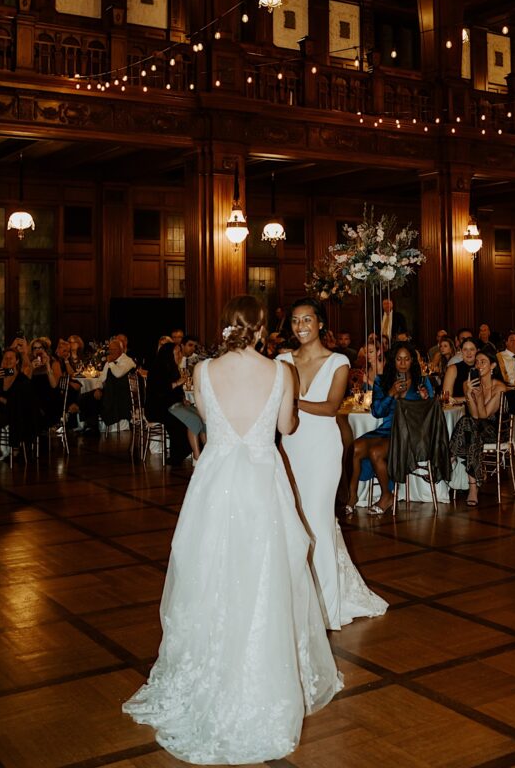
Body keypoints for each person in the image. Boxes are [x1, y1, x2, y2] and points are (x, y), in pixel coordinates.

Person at [123, 295, 341, 762]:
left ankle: (209, 665)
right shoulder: (282, 372)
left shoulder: (202, 372)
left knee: (211, 574)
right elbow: (287, 425)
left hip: (216, 484)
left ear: (225, 327)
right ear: (263, 328)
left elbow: (206, 420)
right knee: (266, 575)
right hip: (262, 482)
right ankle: (263, 670)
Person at [278, 297, 388, 630]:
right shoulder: (282, 360)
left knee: (318, 518)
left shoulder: (338, 360)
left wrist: (292, 400)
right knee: (292, 518)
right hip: (290, 446)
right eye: (296, 321)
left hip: (323, 448)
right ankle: (297, 597)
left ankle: (326, 605)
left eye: (307, 320)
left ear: (321, 323)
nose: (301, 327)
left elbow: (329, 407)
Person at [346, 342, 433, 516]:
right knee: (354, 448)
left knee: (376, 452)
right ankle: (352, 496)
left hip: (410, 433)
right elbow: (377, 412)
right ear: (393, 361)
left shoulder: (422, 381)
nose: (402, 363)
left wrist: (425, 399)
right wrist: (391, 393)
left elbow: (431, 414)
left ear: (412, 362)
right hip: (386, 429)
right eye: (399, 359)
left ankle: (387, 496)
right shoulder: (381, 381)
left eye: (406, 359)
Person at [449, 351, 508, 507]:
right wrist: (469, 393)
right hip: (475, 429)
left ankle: (450, 458)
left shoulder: (499, 387)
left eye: (483, 362)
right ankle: (473, 489)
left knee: (468, 423)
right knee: (471, 427)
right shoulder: (468, 384)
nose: (478, 365)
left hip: (493, 432)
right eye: (477, 362)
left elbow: (483, 415)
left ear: (493, 366)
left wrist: (479, 396)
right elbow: (474, 415)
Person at [145, 341, 190, 465]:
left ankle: (188, 450)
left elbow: (177, 392)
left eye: (180, 352)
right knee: (179, 420)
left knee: (193, 415)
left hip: (169, 406)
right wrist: (177, 383)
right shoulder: (156, 369)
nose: (180, 355)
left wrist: (182, 399)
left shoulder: (173, 367)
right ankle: (178, 454)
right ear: (168, 355)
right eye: (177, 353)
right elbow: (159, 391)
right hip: (156, 408)